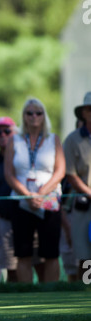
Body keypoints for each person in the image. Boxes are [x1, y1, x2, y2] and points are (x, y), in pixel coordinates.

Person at [4, 97, 65, 283]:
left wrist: (40, 193)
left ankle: (52, 296)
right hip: (22, 201)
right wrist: (28, 194)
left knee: (51, 252)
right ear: (24, 116)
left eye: (38, 112)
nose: (34, 116)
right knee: (23, 253)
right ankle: (25, 294)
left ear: (44, 115)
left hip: (49, 200)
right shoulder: (15, 140)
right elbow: (9, 173)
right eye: (29, 113)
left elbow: (60, 171)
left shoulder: (52, 139)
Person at [63, 92, 91, 280]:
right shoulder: (73, 139)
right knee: (85, 255)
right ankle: (85, 294)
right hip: (84, 203)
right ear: (83, 113)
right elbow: (70, 174)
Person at [0, 116, 18, 282]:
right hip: (4, 220)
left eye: (7, 131)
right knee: (11, 268)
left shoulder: (23, 158)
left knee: (38, 261)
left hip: (29, 215)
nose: (2, 135)